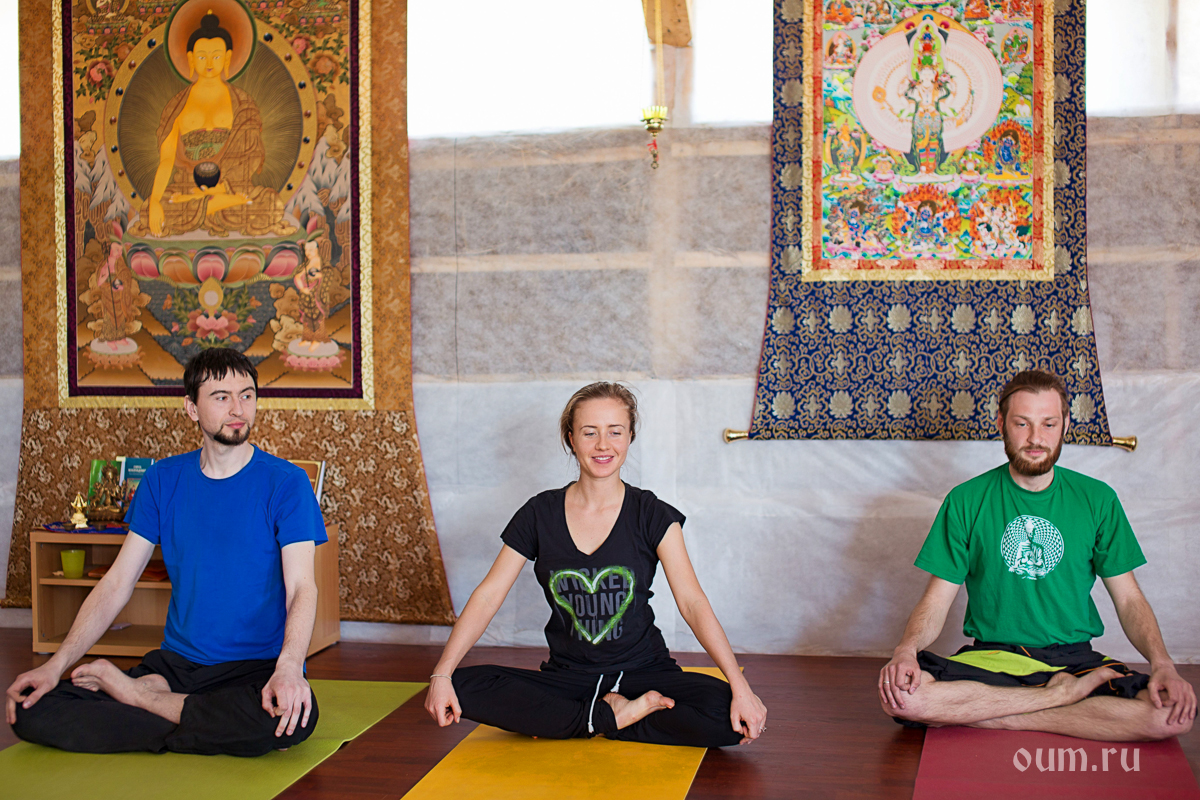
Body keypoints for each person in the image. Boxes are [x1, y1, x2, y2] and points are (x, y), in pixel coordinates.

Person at [6, 348, 326, 755]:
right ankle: (190, 715)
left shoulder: (287, 482)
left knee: (292, 719)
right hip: (177, 667)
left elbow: (301, 588)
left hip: (256, 667)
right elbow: (118, 582)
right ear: (191, 408)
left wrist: (289, 669)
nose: (238, 409)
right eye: (221, 397)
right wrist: (55, 665)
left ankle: (141, 699)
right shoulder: (162, 479)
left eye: (247, 395)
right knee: (33, 709)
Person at [424, 382, 767, 747]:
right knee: (463, 685)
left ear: (630, 436)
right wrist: (441, 674)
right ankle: (612, 717)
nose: (603, 444)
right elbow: (488, 595)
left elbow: (692, 602)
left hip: (644, 672)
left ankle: (582, 720)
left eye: (615, 432)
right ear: (571, 439)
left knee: (725, 715)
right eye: (590, 432)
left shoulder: (653, 514)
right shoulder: (539, 513)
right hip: (569, 678)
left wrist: (740, 686)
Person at [879, 370, 1197, 740]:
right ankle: (1059, 699)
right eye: (1022, 423)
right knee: (903, 699)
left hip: (1074, 659)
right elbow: (936, 599)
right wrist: (906, 650)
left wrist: (1162, 663)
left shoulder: (1098, 499)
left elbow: (1129, 598)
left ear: (1065, 425)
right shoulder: (965, 500)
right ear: (1001, 423)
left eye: (1048, 424)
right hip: (992, 658)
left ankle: (1000, 711)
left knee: (1170, 717)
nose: (1035, 438)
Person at [136, 11, 292, 238]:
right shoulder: (176, 106)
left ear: (228, 58)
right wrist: (155, 202)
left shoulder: (242, 104)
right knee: (150, 209)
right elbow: (167, 160)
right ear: (190, 59)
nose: (209, 63)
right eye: (202, 57)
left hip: (231, 187)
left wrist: (222, 189)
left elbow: (249, 157)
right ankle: (214, 206)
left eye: (216, 56)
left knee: (271, 204)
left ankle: (210, 206)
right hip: (187, 187)